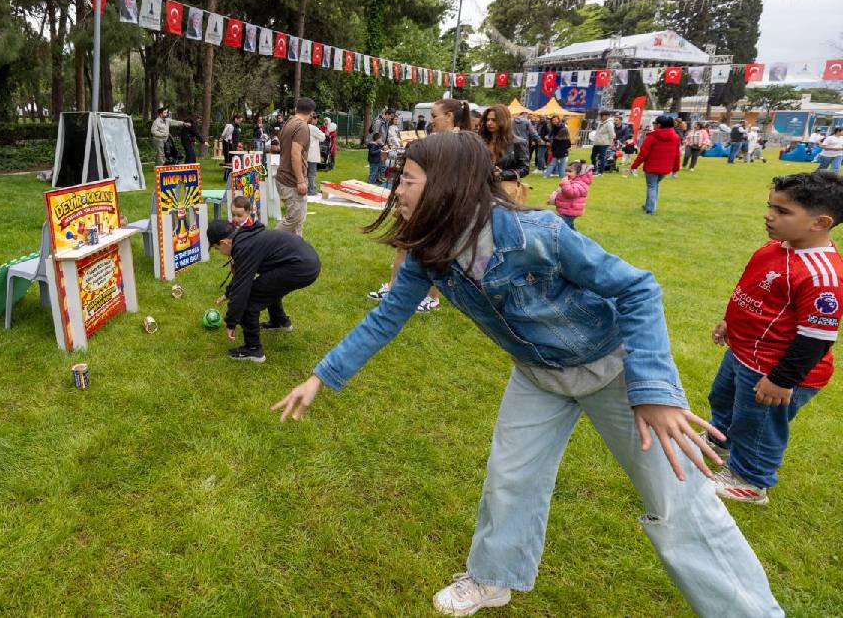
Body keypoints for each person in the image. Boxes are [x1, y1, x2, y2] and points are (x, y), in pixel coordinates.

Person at [271, 130, 783, 617]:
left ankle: (750, 610)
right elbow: (385, 318)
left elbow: (638, 289)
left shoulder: (539, 234)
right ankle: (494, 577)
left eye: (406, 178)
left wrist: (652, 390)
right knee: (509, 481)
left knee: (678, 502)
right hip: (539, 378)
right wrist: (321, 376)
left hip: (613, 371)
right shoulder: (430, 254)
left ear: (447, 182)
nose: (395, 188)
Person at [706, 171, 843, 505]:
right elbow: (757, 293)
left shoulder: (822, 275)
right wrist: (730, 321)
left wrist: (782, 380)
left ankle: (750, 481)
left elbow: (817, 338)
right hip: (743, 353)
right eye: (771, 207)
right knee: (723, 400)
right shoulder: (776, 248)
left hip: (775, 370)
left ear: (820, 222)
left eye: (782, 212)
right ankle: (717, 440)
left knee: (758, 425)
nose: (769, 215)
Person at [366, 98, 472, 311]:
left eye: (434, 116)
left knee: (434, 253)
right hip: (420, 202)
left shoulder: (460, 141)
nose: (431, 120)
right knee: (403, 246)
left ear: (449, 116)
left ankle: (433, 298)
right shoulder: (437, 137)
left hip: (440, 205)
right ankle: (393, 287)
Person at [208, 218, 320, 363]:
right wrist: (228, 292)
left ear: (224, 242)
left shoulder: (243, 247)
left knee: (249, 300)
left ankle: (253, 350)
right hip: (307, 260)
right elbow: (243, 275)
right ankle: (279, 321)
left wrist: (231, 322)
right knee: (267, 286)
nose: (220, 252)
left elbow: (242, 290)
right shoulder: (244, 237)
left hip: (300, 266)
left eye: (217, 249)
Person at [275, 97, 313, 237]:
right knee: (294, 218)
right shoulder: (302, 126)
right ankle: (265, 242)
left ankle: (296, 252)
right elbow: (295, 154)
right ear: (311, 113)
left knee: (299, 220)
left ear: (296, 108)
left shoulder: (288, 123)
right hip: (291, 181)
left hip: (284, 177)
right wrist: (300, 180)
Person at [480, 105, 530, 204]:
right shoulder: (481, 141)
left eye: (494, 120)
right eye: (488, 120)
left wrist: (502, 174)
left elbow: (524, 169)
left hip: (504, 191)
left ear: (504, 121)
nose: (489, 123)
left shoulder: (518, 143)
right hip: (482, 188)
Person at [633, 116, 681, 215]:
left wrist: (634, 165)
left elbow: (643, 153)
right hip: (665, 168)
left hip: (651, 167)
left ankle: (651, 209)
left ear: (659, 125)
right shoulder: (676, 137)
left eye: (655, 123)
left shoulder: (651, 136)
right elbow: (677, 154)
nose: (653, 124)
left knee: (651, 186)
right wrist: (675, 169)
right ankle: (648, 205)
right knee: (654, 186)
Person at [549, 159, 592, 229]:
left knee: (560, 228)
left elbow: (570, 193)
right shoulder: (572, 181)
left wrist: (565, 183)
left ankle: (572, 238)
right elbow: (563, 193)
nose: (566, 173)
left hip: (569, 211)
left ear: (578, 174)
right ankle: (576, 238)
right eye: (566, 171)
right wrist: (554, 198)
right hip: (566, 210)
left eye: (570, 171)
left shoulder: (580, 184)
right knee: (569, 228)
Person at [306, 112, 326, 197]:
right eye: (315, 118)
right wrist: (322, 132)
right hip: (312, 154)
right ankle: (312, 190)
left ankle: (308, 189)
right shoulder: (313, 128)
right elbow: (323, 137)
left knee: (306, 173)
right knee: (312, 173)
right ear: (311, 119)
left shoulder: (304, 126)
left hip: (305, 153)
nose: (316, 119)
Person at [590, 111, 615, 176]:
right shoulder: (600, 122)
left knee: (602, 158)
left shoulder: (609, 123)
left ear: (605, 116)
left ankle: (600, 172)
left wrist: (611, 142)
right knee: (592, 156)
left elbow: (611, 134)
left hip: (604, 143)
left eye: (601, 116)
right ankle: (594, 170)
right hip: (596, 143)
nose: (600, 117)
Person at [221, 113, 244, 179]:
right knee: (228, 161)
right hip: (228, 145)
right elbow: (224, 135)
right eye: (239, 120)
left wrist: (238, 143)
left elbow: (237, 137)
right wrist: (230, 142)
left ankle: (232, 176)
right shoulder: (230, 126)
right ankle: (226, 177)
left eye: (241, 121)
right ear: (235, 119)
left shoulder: (238, 127)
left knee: (233, 160)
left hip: (234, 145)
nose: (240, 122)